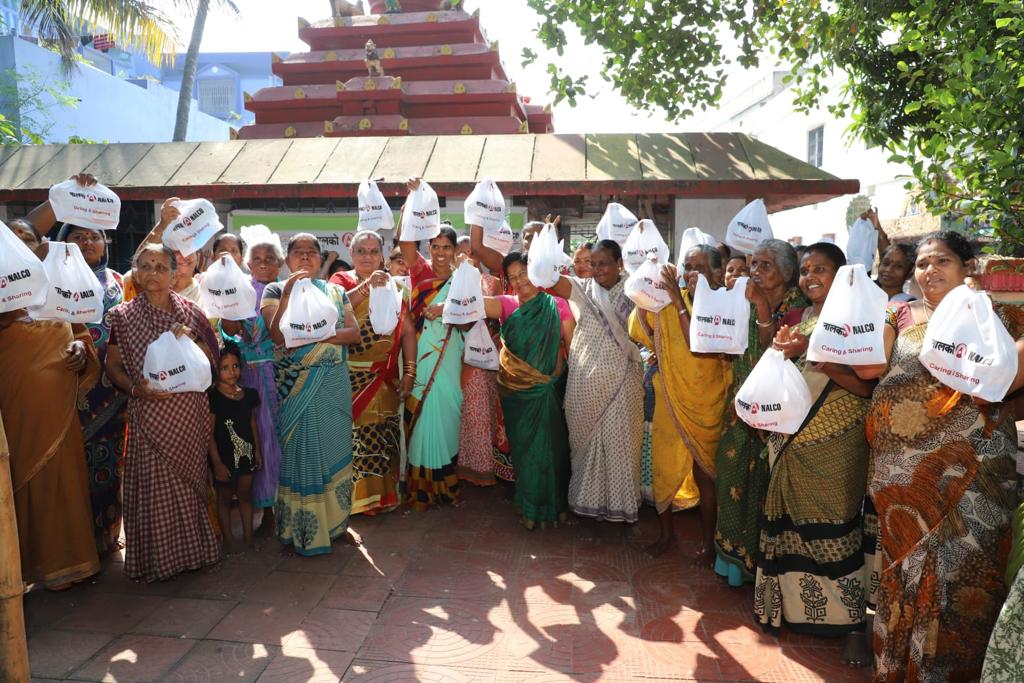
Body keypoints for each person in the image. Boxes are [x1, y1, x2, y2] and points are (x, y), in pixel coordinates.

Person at [856, 231, 1024, 681]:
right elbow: (871, 367)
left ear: (967, 267)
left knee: (959, 582)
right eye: (923, 263)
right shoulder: (903, 313)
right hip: (899, 482)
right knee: (902, 580)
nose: (929, 270)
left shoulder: (996, 316)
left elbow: (1010, 381)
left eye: (942, 261)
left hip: (972, 473)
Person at [756, 243, 875, 667]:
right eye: (805, 269)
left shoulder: (861, 320)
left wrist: (827, 363)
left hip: (838, 442)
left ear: (842, 274)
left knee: (840, 530)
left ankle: (854, 627)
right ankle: (793, 610)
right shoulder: (802, 319)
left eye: (820, 269)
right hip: (792, 440)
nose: (810, 276)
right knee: (792, 526)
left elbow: (867, 388)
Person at [105, 244, 221, 581]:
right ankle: (157, 560)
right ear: (136, 273)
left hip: (187, 413)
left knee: (190, 483)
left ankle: (194, 553)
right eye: (146, 266)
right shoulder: (122, 317)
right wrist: (135, 388)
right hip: (148, 410)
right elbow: (112, 365)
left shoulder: (192, 314)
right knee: (155, 487)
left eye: (160, 266)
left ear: (174, 273)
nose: (153, 272)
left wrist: (191, 343)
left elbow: (211, 362)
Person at [0, 237, 101, 589]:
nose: (27, 248)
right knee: (18, 480)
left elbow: (80, 333)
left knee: (66, 480)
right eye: (18, 242)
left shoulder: (59, 288)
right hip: (16, 412)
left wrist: (79, 349)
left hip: (60, 410)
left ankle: (69, 564)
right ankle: (23, 569)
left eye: (31, 241)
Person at [713, 239, 807, 586]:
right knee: (731, 477)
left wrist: (762, 308)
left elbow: (775, 355)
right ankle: (731, 563)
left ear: (787, 272)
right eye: (754, 264)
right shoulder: (743, 299)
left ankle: (758, 569)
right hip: (739, 409)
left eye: (766, 265)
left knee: (762, 491)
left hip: (775, 416)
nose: (756, 271)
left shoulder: (799, 307)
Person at [629, 245, 733, 558]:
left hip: (709, 401)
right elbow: (640, 329)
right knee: (663, 465)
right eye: (687, 266)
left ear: (716, 272)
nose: (690, 274)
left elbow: (700, 343)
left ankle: (707, 543)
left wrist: (676, 301)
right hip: (670, 397)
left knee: (706, 474)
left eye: (699, 267)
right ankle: (665, 535)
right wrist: (650, 288)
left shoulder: (724, 306)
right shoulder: (669, 303)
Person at [261, 234, 362, 555]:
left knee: (335, 451)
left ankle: (337, 523)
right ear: (287, 259)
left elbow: (353, 333)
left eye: (312, 252)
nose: (305, 257)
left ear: (321, 259)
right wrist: (290, 294)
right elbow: (277, 335)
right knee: (298, 456)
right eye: (298, 252)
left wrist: (317, 333)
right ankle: (298, 529)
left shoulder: (336, 291)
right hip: (295, 388)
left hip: (332, 384)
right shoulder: (274, 290)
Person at [547, 238, 643, 523]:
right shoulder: (583, 289)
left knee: (620, 447)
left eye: (604, 264)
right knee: (586, 447)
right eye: (593, 264)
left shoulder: (634, 292)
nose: (598, 270)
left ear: (619, 264)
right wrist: (550, 237)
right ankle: (584, 504)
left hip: (623, 382)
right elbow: (548, 280)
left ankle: (621, 507)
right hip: (585, 383)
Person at [478, 251, 576, 529]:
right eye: (512, 277)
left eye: (524, 273)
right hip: (518, 398)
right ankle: (531, 509)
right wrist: (463, 275)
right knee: (526, 455)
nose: (519, 281)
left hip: (550, 392)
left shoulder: (558, 305)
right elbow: (472, 304)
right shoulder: (507, 305)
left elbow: (573, 350)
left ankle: (555, 508)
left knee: (554, 453)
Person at [330, 230, 417, 515]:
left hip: (387, 378)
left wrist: (409, 373)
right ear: (351, 255)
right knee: (356, 440)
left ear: (382, 256)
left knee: (385, 437)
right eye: (361, 251)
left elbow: (406, 331)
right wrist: (367, 286)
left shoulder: (397, 287)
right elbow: (334, 313)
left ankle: (384, 497)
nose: (367, 256)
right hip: (351, 377)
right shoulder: (339, 282)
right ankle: (356, 502)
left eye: (373, 251)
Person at [59, 223, 127, 557]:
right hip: (68, 393)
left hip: (113, 396)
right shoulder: (52, 280)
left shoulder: (118, 281)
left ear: (106, 243)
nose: (87, 241)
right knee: (71, 473)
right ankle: (76, 548)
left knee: (110, 468)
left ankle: (108, 539)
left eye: (94, 236)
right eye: (77, 236)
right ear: (63, 243)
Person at [397, 196, 465, 509]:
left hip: (450, 356)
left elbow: (473, 313)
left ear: (455, 250)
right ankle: (421, 490)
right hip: (422, 356)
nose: (440, 252)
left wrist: (448, 308)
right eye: (435, 246)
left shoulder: (465, 278)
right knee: (423, 420)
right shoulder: (420, 272)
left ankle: (446, 485)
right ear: (429, 249)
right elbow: (404, 241)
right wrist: (413, 203)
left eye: (446, 247)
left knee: (447, 415)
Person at [219, 232, 286, 537]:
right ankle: (267, 510)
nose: (263, 264)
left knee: (283, 441)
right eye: (256, 259)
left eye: (270, 259)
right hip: (248, 379)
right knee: (260, 441)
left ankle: (288, 506)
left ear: (280, 263)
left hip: (282, 376)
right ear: (246, 263)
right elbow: (230, 329)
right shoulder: (240, 291)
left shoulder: (288, 291)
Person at [454, 241, 510, 487]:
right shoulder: (450, 281)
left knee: (487, 410)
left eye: (471, 251)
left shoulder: (491, 282)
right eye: (462, 252)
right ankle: (469, 466)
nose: (467, 256)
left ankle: (487, 467)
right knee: (467, 410)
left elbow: (497, 313)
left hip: (491, 354)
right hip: (459, 354)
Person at [208, 341, 262, 554]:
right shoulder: (212, 397)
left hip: (246, 454)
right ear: (215, 369)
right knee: (224, 497)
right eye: (225, 368)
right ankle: (229, 541)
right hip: (224, 458)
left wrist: (257, 450)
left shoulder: (248, 395)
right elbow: (209, 433)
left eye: (236, 366)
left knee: (246, 495)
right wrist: (217, 463)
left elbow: (252, 423)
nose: (232, 372)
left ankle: (248, 537)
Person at [122, 198, 202, 303]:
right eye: (176, 250)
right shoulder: (151, 286)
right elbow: (138, 265)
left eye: (188, 248)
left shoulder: (206, 286)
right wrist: (162, 225)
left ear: (198, 256)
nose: (183, 255)